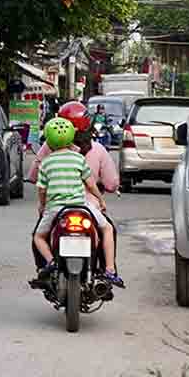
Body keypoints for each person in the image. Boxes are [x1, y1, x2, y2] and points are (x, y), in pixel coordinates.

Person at [31, 117, 123, 288]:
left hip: (56, 210)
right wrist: (101, 200)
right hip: (83, 207)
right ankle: (110, 270)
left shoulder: (45, 161)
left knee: (38, 236)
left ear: (49, 141)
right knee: (107, 229)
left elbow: (39, 187)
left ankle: (49, 263)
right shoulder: (84, 156)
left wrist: (42, 205)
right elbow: (94, 184)